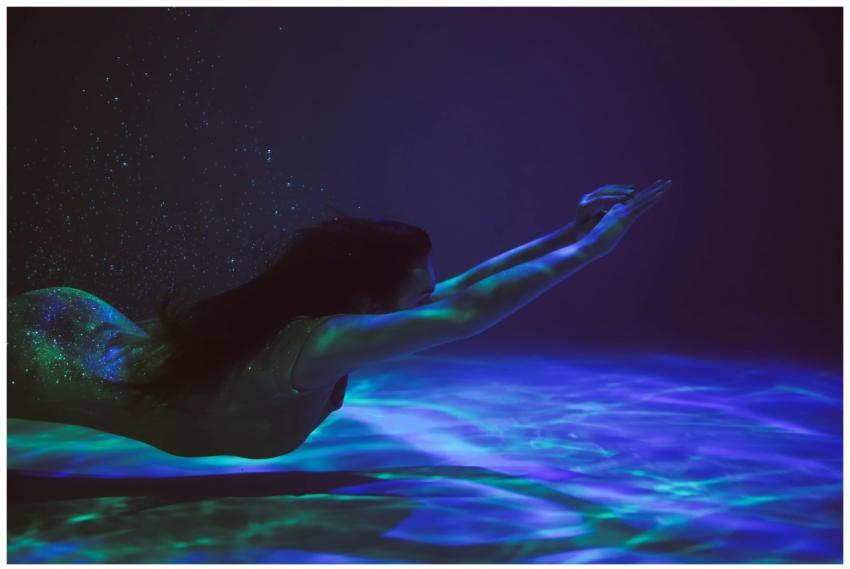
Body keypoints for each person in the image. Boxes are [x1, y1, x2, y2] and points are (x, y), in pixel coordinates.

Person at [7, 179, 671, 458]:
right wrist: (596, 246)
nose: (432, 301)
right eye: (418, 293)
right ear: (364, 304)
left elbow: (464, 290)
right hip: (44, 351)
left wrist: (568, 230)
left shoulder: (324, 328)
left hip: (80, 331)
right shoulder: (318, 340)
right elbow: (468, 309)